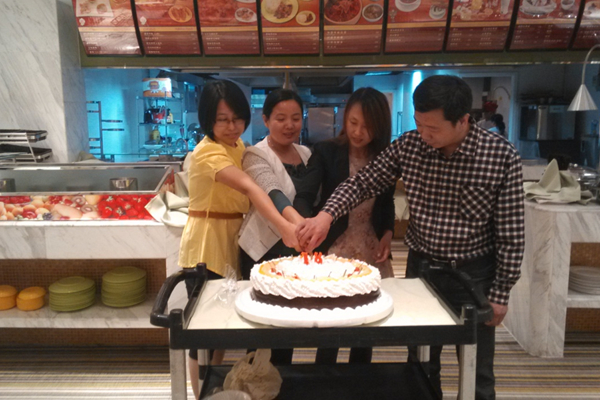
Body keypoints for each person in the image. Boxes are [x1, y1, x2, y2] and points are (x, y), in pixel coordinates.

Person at [296, 75, 525, 400]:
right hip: (423, 271)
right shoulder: (409, 145)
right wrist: (326, 215)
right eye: (419, 124)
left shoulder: (500, 155)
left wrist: (502, 292)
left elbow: (511, 232)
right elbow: (363, 182)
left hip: (474, 275)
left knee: (478, 371)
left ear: (463, 121)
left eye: (433, 129)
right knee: (421, 363)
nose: (424, 135)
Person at [178, 80, 300, 399]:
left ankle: (213, 387)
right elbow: (250, 187)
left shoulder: (239, 148)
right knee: (202, 333)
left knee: (220, 328)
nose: (232, 127)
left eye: (237, 119)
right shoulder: (207, 152)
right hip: (206, 245)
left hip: (232, 241)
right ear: (208, 120)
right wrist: (285, 228)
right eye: (222, 120)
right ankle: (199, 393)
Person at [294, 87, 396, 364]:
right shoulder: (327, 150)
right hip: (335, 246)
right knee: (332, 320)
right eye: (353, 122)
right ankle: (325, 375)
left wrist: (388, 233)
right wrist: (302, 224)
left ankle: (359, 377)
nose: (358, 132)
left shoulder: (385, 157)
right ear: (345, 117)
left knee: (367, 322)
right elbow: (305, 194)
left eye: (367, 126)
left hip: (370, 245)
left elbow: (386, 202)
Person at [238, 88, 311, 365]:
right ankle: (254, 379)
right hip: (263, 250)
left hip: (295, 251)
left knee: (289, 321)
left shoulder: (306, 154)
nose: (289, 125)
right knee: (261, 325)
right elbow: (272, 191)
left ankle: (281, 379)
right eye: (280, 118)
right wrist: (299, 224)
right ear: (266, 120)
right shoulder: (255, 154)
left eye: (296, 118)